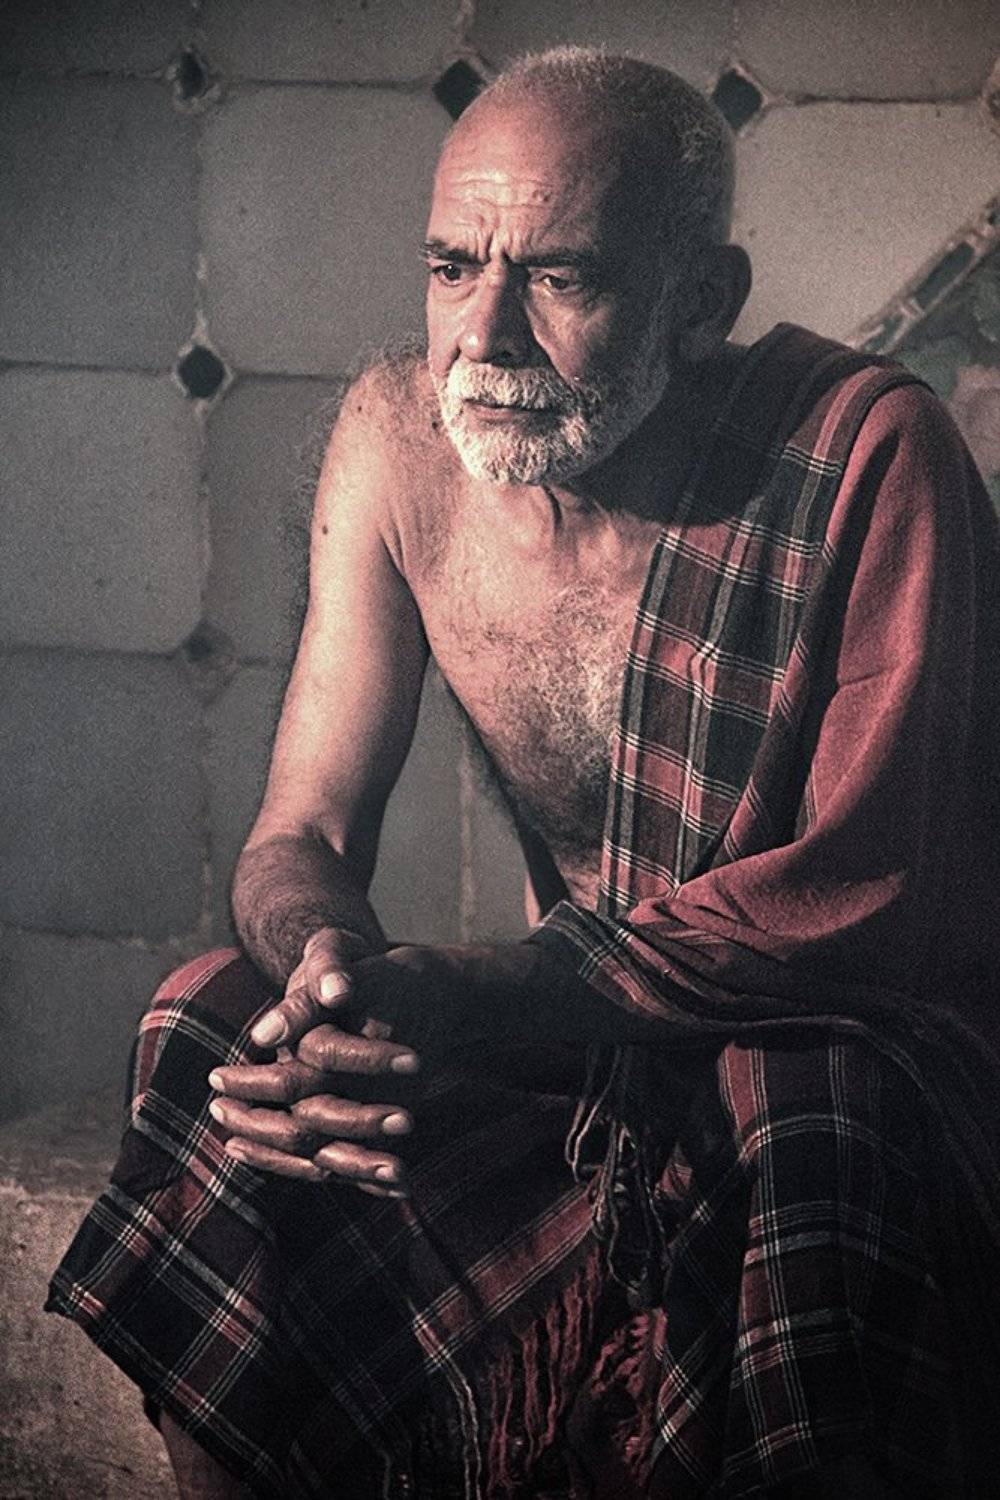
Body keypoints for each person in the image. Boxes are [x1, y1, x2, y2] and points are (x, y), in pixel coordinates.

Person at [48, 47, 1000, 1500]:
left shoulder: (872, 452)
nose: (484, 335)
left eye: (561, 279)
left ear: (703, 300)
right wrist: (332, 987)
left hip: (816, 1035)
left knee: (805, 1104)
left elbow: (867, 897)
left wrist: (485, 992)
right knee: (207, 1025)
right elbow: (302, 832)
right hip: (572, 1041)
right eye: (452, 267)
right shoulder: (396, 442)